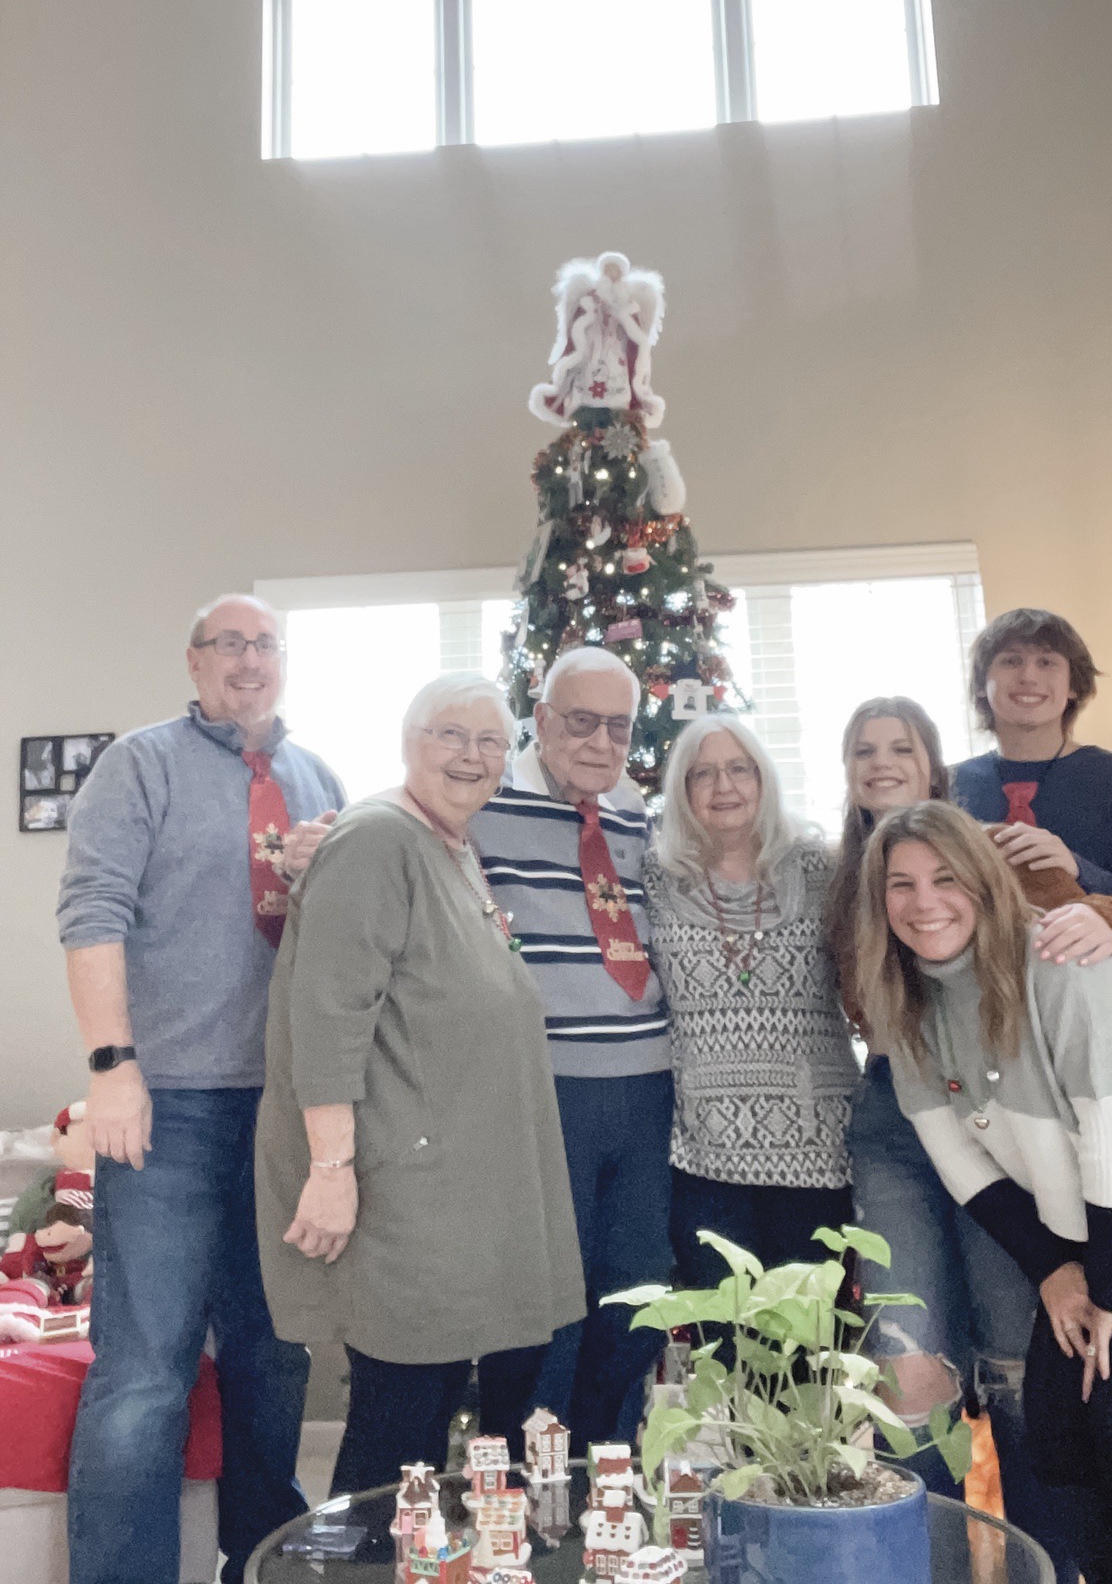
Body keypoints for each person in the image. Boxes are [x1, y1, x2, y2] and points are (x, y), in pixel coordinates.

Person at [829, 696, 1112, 1584]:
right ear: (846, 767)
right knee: (911, 1362)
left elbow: (1085, 924)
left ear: (938, 767)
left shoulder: (987, 848)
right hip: (901, 1120)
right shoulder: (836, 874)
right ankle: (923, 1561)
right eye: (864, 749)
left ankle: (1039, 1563)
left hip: (1002, 1120)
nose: (882, 761)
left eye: (902, 747)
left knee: (1018, 1355)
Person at [57, 594, 346, 1584]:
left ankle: (260, 1564)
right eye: (229, 644)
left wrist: (324, 877)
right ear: (193, 663)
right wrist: (112, 1070)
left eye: (266, 644)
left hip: (284, 1115)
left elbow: (344, 953)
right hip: (166, 1105)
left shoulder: (317, 779)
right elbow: (90, 916)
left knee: (274, 1363)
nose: (250, 660)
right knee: (145, 1374)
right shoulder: (138, 765)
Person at [255, 674, 585, 1491]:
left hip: (461, 1192)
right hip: (401, 1191)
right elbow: (325, 1017)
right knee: (398, 1428)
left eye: (490, 742)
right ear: (408, 743)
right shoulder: (375, 841)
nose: (471, 757)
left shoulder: (452, 847)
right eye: (450, 735)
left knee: (430, 1415)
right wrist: (329, 1172)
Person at [472, 646, 673, 1450]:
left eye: (616, 727)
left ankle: (607, 1479)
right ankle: (519, 1494)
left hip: (647, 1092)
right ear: (542, 718)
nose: (599, 743)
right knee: (542, 1306)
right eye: (580, 722)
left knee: (634, 1301)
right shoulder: (484, 807)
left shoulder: (642, 822)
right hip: (545, 1091)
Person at [644, 714, 858, 1283]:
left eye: (740, 769)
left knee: (813, 1348)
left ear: (764, 778)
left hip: (817, 1147)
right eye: (703, 774)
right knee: (726, 1345)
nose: (724, 787)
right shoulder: (653, 877)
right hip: (702, 1152)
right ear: (680, 790)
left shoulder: (823, 867)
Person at [955, 608, 1112, 960]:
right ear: (981, 682)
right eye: (1010, 661)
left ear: (1073, 685)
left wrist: (1080, 871)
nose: (1028, 676)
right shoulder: (948, 786)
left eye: (1047, 662)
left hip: (1102, 1007)